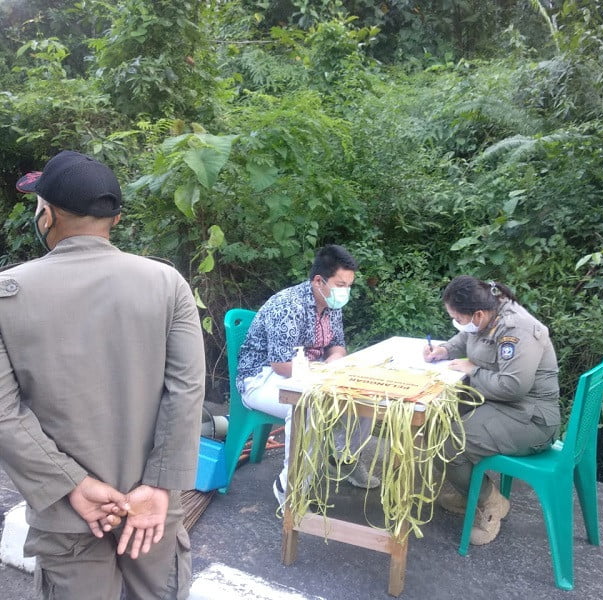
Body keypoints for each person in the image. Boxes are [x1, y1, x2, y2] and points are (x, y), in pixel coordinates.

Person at [0, 150, 206, 599]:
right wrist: (157, 486)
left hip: (69, 515)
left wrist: (72, 483)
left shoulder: (7, 296)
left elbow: (4, 414)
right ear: (113, 219)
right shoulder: (167, 284)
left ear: (47, 214)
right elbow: (186, 392)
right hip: (152, 510)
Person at [236, 244, 379, 510]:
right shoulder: (288, 305)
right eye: (340, 284)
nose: (345, 291)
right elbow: (280, 363)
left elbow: (338, 345)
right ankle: (290, 487)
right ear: (318, 281)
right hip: (261, 377)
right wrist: (321, 370)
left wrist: (334, 361)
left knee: (362, 397)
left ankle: (343, 460)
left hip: (310, 372)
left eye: (349, 285)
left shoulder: (330, 304)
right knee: (309, 405)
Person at [423, 275, 561, 545]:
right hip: (501, 406)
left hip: (531, 418)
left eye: (459, 318)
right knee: (435, 424)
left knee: (447, 443)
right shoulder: (488, 315)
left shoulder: (516, 330)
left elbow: (513, 386)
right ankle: (470, 492)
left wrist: (473, 371)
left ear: (478, 314)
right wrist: (444, 350)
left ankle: (490, 502)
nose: (458, 324)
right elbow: (466, 338)